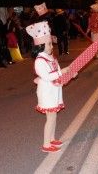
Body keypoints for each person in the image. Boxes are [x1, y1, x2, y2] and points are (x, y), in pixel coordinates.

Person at [26, 21, 70, 153]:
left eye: (51, 43)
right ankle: (46, 144)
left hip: (54, 91)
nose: (52, 46)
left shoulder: (51, 57)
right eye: (49, 44)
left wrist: (69, 74)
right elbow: (47, 76)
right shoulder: (40, 60)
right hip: (47, 93)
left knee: (53, 117)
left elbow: (58, 72)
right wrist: (62, 72)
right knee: (50, 119)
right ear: (40, 45)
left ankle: (51, 139)